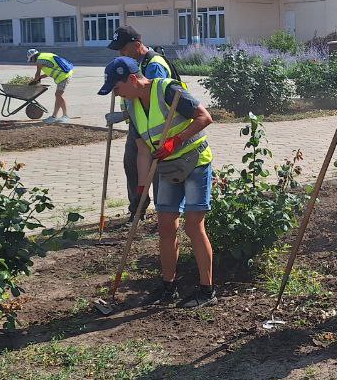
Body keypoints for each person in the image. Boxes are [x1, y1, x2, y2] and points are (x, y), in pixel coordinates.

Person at [100, 55, 216, 308]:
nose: (116, 93)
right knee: (165, 226)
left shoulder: (167, 89)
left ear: (132, 79)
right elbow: (142, 151)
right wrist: (141, 190)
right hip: (166, 167)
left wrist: (177, 140)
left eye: (117, 87)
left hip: (195, 162)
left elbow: (204, 117)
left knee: (193, 226)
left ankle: (207, 290)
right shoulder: (131, 106)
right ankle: (168, 287)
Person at [107, 26, 183, 218]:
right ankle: (138, 206)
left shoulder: (154, 64)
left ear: (137, 44)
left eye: (123, 48)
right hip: (138, 122)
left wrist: (123, 116)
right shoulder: (133, 62)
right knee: (132, 164)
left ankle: (163, 213)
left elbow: (155, 99)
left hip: (156, 127)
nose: (121, 52)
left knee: (155, 169)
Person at [26, 49, 74, 123]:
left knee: (58, 95)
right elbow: (52, 69)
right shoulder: (45, 56)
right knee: (58, 96)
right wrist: (41, 77)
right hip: (64, 74)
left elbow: (37, 74)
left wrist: (32, 81)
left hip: (64, 75)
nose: (33, 62)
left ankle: (64, 116)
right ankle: (54, 116)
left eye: (32, 60)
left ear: (33, 57)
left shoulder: (39, 61)